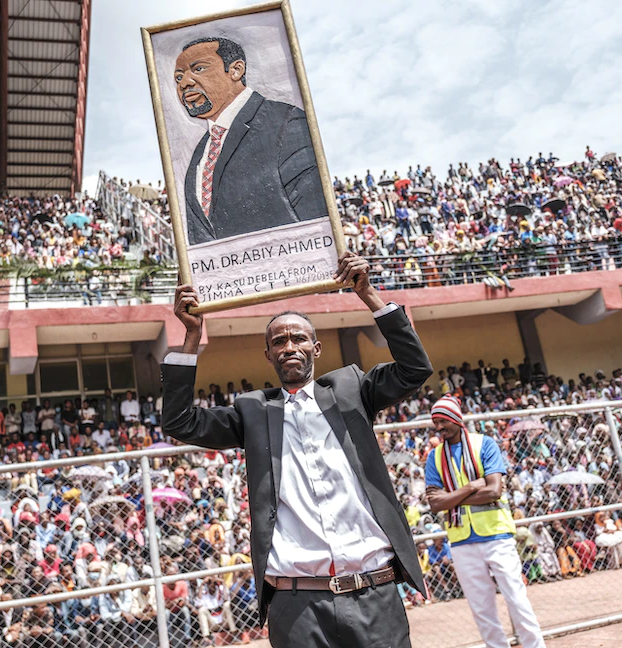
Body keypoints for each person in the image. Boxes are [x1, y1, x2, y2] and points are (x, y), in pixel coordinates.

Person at [162, 251, 433, 647]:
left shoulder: (351, 389)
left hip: (374, 594)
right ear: (268, 354)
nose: (289, 346)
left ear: (316, 348)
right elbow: (180, 421)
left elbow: (415, 369)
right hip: (297, 605)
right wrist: (190, 336)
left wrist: (368, 294)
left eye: (299, 338)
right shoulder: (252, 412)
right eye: (279, 341)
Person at [174, 36, 325, 245]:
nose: (184, 83)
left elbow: (318, 223)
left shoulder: (285, 122)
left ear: (236, 70)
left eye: (198, 69)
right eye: (178, 77)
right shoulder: (200, 154)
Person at [425, 395, 545, 648]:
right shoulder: (434, 456)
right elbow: (435, 504)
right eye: (435, 422)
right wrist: (470, 487)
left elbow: (493, 491)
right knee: (481, 609)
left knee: (516, 599)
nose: (439, 427)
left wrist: (452, 498)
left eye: (443, 420)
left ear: (457, 418)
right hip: (461, 539)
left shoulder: (485, 444)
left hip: (496, 535)